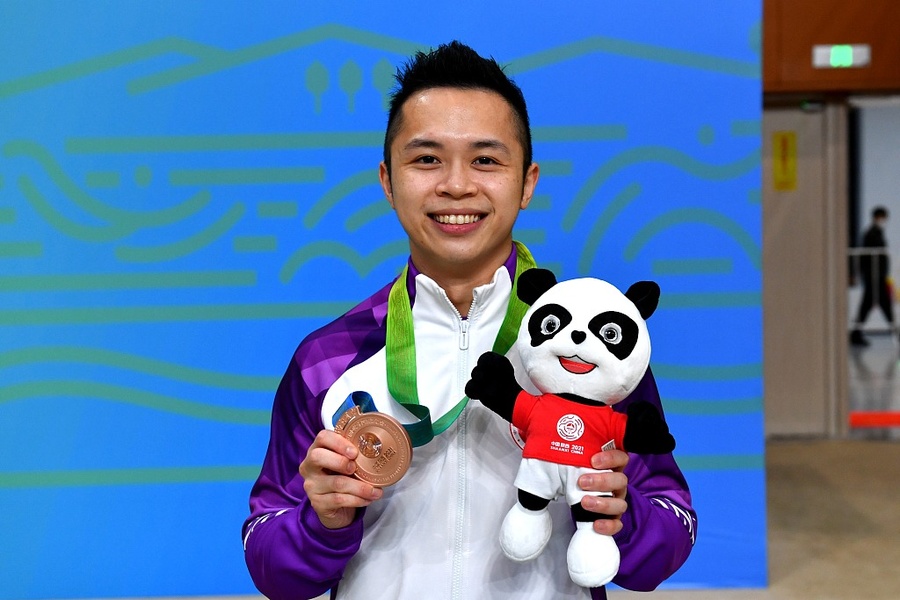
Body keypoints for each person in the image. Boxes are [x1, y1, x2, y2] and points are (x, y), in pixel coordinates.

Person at [242, 41, 696, 600]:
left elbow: (671, 532)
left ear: (527, 182)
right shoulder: (330, 358)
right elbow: (270, 564)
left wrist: (621, 518)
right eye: (426, 158)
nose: (456, 185)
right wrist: (322, 521)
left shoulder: (592, 352)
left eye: (486, 159)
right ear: (387, 181)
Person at [851, 206, 894, 347]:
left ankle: (855, 334)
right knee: (884, 306)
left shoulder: (877, 233)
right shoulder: (871, 234)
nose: (884, 220)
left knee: (868, 307)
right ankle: (896, 333)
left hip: (877, 277)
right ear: (877, 217)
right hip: (874, 278)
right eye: (883, 217)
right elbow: (867, 258)